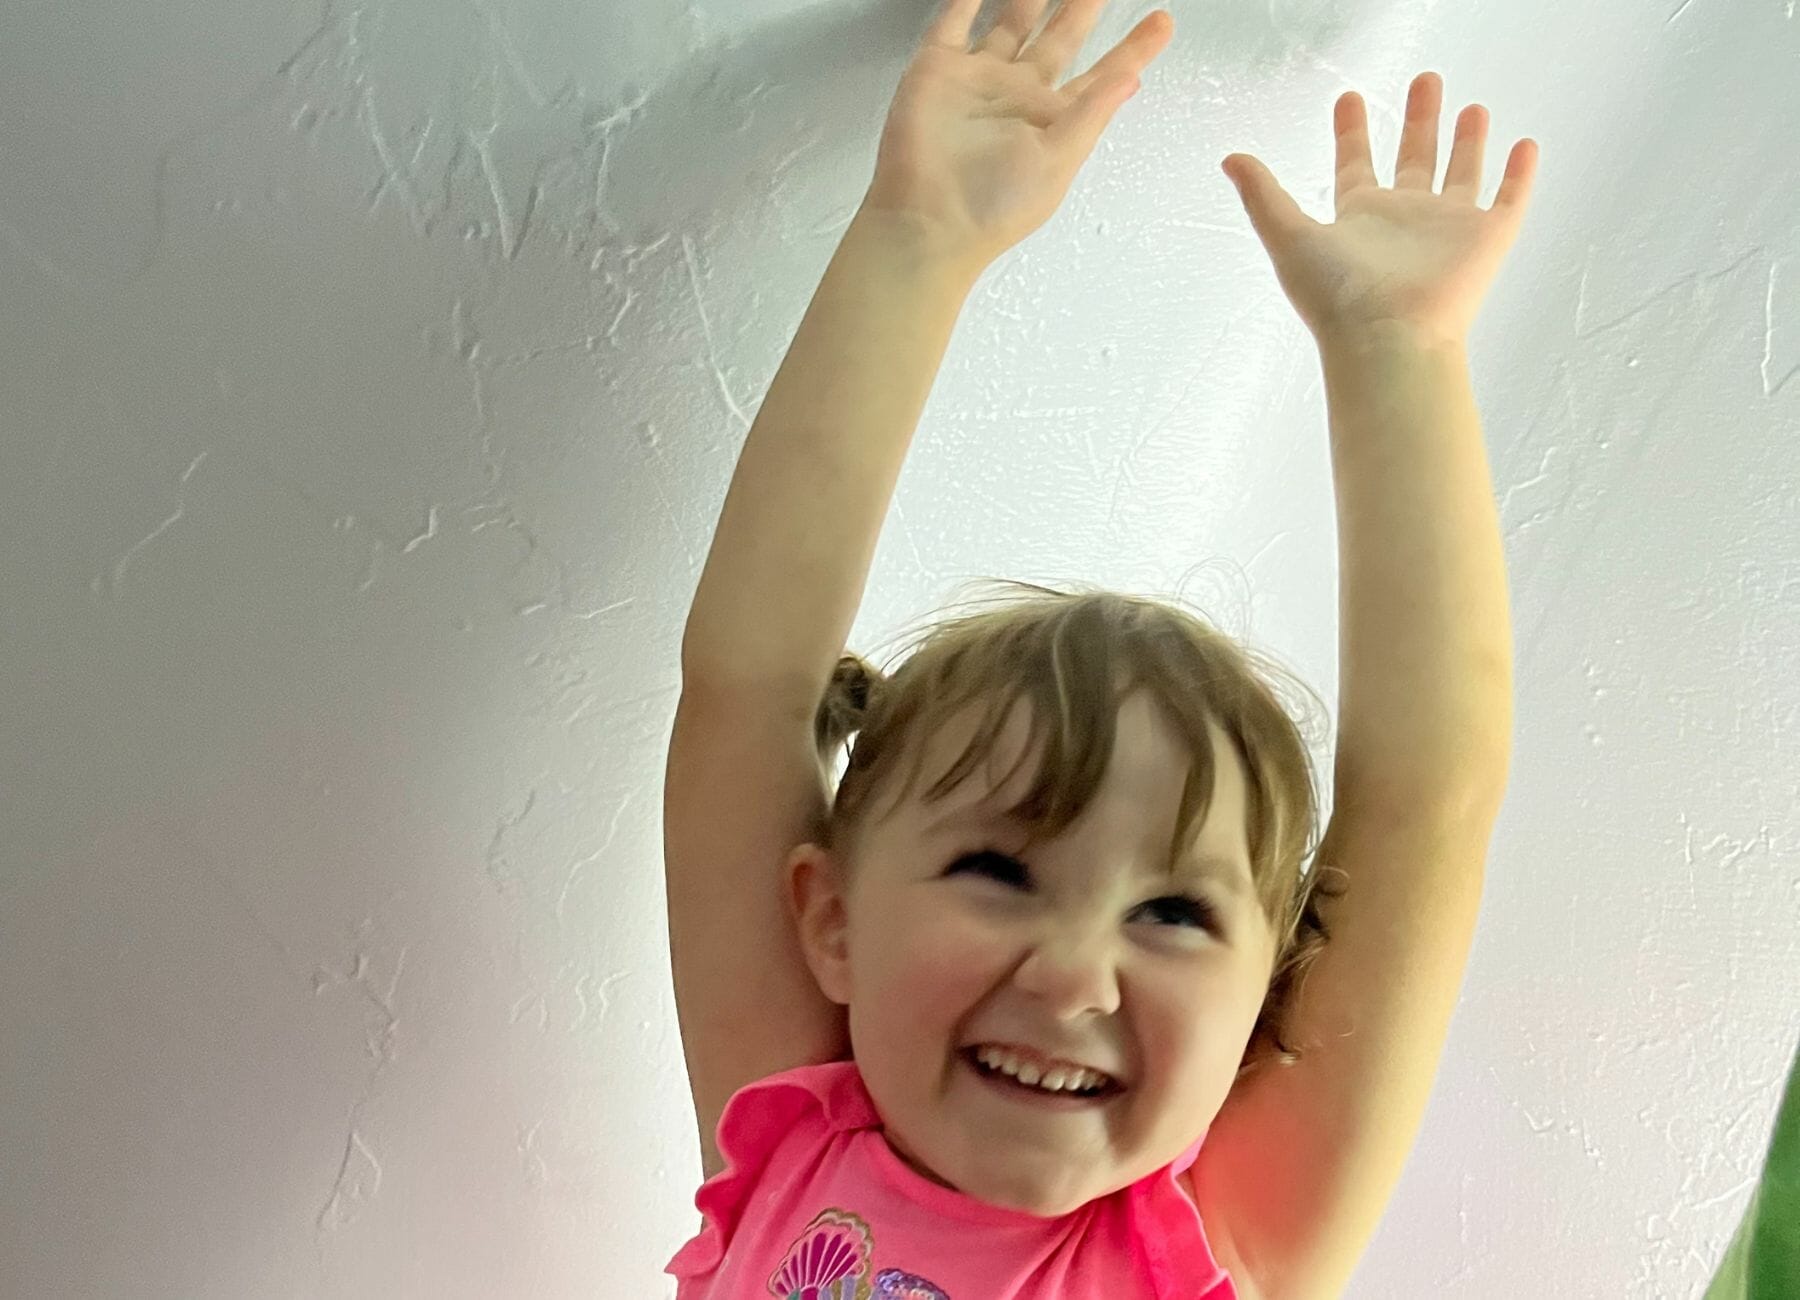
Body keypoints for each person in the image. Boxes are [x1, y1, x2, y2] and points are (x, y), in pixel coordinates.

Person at [662, 0, 1538, 1294]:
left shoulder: (1221, 1252)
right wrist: (918, 241)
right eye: (998, 871)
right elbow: (747, 686)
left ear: (1265, 1010)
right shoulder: (798, 1137)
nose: (1074, 978)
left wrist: (1401, 357)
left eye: (1175, 911)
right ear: (832, 918)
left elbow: (1431, 808)